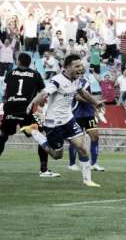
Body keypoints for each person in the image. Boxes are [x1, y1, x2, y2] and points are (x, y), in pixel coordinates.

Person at [20, 54, 105, 187]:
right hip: (54, 123)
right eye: (77, 66)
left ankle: (87, 180)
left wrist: (96, 102)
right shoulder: (57, 80)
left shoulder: (76, 80)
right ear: (67, 67)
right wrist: (32, 103)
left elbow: (82, 93)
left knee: (82, 148)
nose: (80, 68)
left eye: (81, 65)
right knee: (56, 155)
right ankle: (35, 132)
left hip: (68, 120)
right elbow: (43, 93)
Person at [0, 53, 60, 178]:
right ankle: (43, 170)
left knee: (2, 135)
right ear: (29, 63)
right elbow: (43, 94)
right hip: (25, 112)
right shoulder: (35, 74)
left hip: (10, 110)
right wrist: (41, 108)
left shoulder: (9, 73)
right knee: (42, 136)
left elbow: (4, 93)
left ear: (18, 62)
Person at [68, 65, 105, 172]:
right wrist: (93, 101)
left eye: (81, 69)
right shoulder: (73, 82)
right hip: (77, 114)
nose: (80, 71)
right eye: (78, 69)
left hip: (89, 114)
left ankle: (94, 163)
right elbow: (78, 97)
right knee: (75, 141)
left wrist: (96, 112)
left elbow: (90, 97)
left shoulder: (87, 81)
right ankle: (72, 163)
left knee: (95, 137)